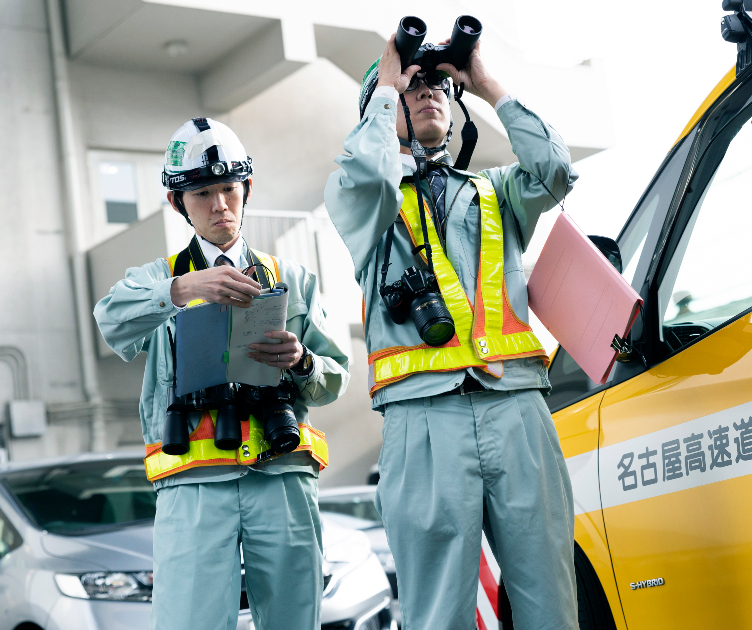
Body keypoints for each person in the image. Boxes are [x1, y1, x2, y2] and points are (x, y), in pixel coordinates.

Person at [324, 33, 579, 630]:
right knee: (437, 612)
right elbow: (365, 176)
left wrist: (486, 82)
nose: (428, 95)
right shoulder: (368, 204)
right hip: (422, 419)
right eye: (413, 87)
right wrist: (385, 88)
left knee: (551, 601)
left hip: (516, 408)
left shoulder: (495, 192)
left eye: (438, 85)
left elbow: (556, 169)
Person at [95, 117, 349, 630]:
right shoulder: (159, 279)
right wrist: (183, 290)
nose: (219, 206)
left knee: (295, 621)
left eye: (229, 189)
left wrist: (301, 361)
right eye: (202, 193)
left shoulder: (293, 280)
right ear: (177, 203)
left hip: (282, 476)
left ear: (247, 189)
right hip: (193, 484)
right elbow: (110, 320)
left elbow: (334, 379)